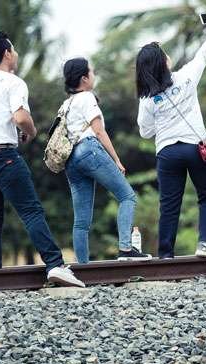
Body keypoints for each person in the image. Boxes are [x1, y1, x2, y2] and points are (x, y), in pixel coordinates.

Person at [0, 31, 84, 287]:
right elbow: (21, 118)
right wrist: (31, 132)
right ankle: (55, 265)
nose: (15, 54)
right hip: (2, 156)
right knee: (31, 211)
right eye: (13, 50)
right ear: (6, 53)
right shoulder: (12, 82)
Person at [135, 10, 206, 259]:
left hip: (167, 152)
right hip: (197, 148)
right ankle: (205, 244)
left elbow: (145, 132)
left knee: (169, 207)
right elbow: (203, 54)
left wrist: (162, 124)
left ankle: (166, 256)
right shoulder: (186, 77)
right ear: (163, 62)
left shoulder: (147, 100)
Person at [60, 57, 150, 263]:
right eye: (91, 72)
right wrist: (116, 160)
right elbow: (99, 132)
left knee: (81, 222)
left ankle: (83, 267)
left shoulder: (66, 104)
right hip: (89, 150)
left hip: (70, 160)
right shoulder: (86, 97)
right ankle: (126, 249)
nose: (94, 75)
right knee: (128, 197)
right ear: (84, 78)